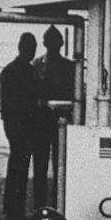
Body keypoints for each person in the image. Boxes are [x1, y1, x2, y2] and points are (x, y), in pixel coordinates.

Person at [0, 32, 47, 220]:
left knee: (18, 170)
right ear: (22, 48)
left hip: (20, 127)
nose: (31, 52)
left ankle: (14, 211)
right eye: (29, 48)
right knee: (19, 170)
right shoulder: (19, 72)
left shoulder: (15, 70)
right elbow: (15, 104)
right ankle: (14, 213)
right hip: (20, 127)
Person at [31, 25, 75, 196]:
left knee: (61, 165)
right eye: (50, 42)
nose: (53, 45)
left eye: (55, 42)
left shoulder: (69, 67)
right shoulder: (36, 65)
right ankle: (40, 202)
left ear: (61, 43)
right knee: (40, 165)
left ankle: (58, 200)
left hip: (60, 121)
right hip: (41, 121)